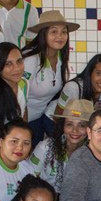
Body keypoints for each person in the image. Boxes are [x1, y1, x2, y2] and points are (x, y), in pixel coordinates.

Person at [22, 10, 79, 146]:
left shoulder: (61, 58)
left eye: (64, 32)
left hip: (41, 119)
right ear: (43, 34)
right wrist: (22, 130)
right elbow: (18, 96)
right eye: (54, 32)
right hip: (23, 121)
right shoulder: (30, 59)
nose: (60, 36)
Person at [30, 99, 93, 194]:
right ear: (62, 126)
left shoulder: (94, 153)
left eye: (81, 125)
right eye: (69, 124)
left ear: (89, 129)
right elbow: (29, 180)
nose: (74, 130)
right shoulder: (45, 148)